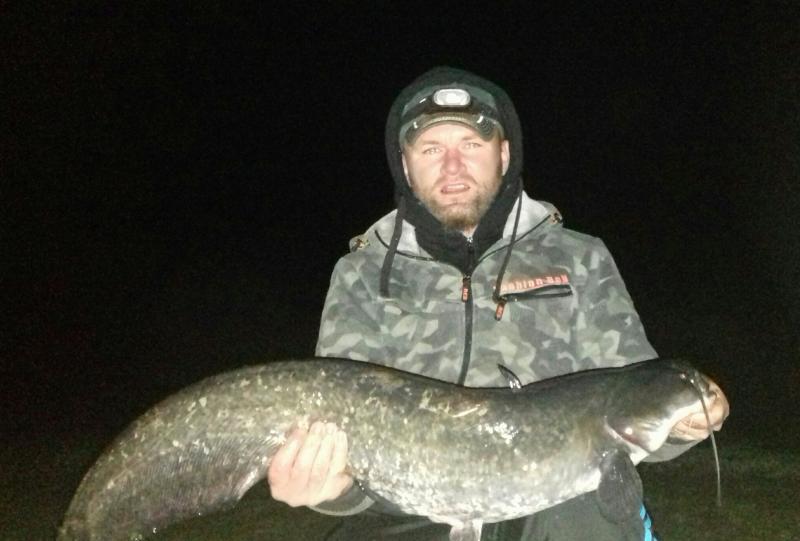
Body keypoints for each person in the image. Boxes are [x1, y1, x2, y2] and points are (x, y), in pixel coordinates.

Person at [267, 66, 729, 540]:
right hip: (408, 507)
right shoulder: (361, 273)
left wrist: (683, 425)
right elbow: (336, 428)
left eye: (471, 144)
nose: (452, 166)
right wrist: (331, 487)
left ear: (503, 155)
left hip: (559, 502)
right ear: (405, 166)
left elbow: (634, 394)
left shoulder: (580, 257)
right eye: (431, 149)